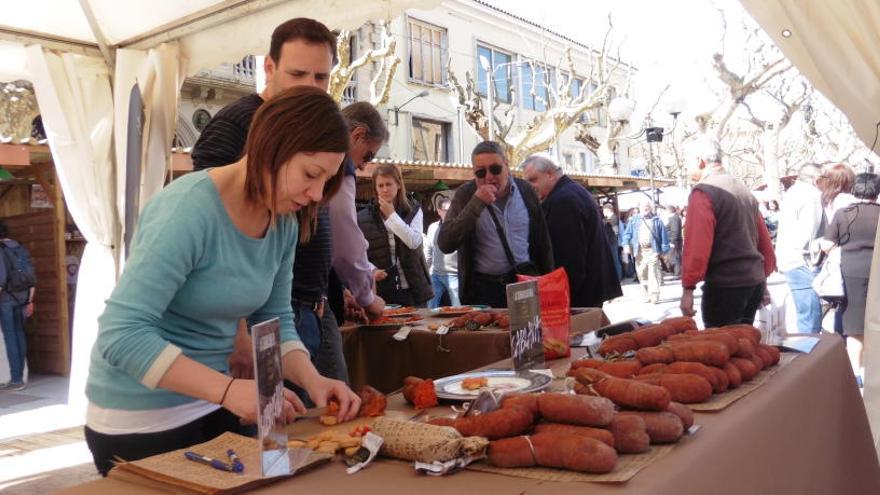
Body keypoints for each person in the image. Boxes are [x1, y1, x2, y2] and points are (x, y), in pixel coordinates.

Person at [84, 87, 362, 477]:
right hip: (140, 419)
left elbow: (275, 321)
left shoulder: (282, 220)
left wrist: (312, 379)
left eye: (326, 181)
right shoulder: (187, 210)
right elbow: (120, 335)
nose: (316, 194)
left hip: (219, 405)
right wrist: (229, 390)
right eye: (310, 175)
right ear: (273, 147)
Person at [190, 17, 350, 385]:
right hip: (263, 317)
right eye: (298, 74)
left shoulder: (317, 124)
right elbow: (215, 223)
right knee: (277, 433)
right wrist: (238, 330)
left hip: (306, 308)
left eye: (321, 77)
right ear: (269, 67)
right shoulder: (236, 124)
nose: (311, 87)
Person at [437, 141, 553, 307]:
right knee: (490, 333)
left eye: (495, 169)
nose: (489, 176)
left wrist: (548, 282)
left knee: (527, 333)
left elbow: (543, 242)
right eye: (481, 172)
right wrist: (476, 204)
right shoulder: (466, 194)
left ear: (507, 166)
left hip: (525, 283)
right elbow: (445, 243)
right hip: (484, 289)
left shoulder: (525, 190)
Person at [680, 137, 776, 327]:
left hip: (726, 286)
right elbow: (762, 238)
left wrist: (688, 288)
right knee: (746, 348)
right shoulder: (742, 188)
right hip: (752, 281)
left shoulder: (704, 191)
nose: (685, 168)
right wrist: (763, 277)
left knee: (723, 350)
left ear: (700, 160)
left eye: (687, 162)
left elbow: (697, 245)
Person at [522, 155, 622, 307]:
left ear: (549, 174)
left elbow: (569, 258)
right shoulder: (572, 191)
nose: (530, 186)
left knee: (584, 330)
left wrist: (561, 297)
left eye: (533, 179)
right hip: (589, 289)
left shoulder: (563, 201)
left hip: (579, 295)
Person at [329, 102, 390, 327]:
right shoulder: (341, 168)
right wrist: (367, 297)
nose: (363, 167)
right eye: (367, 156)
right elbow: (344, 241)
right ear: (357, 135)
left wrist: (342, 289)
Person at [822, 173, 880, 379]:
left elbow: (827, 245)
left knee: (854, 324)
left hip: (851, 272)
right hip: (877, 270)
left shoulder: (843, 214)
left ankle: (855, 374)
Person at [358, 164, 433, 306]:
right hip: (383, 289)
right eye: (380, 186)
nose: (385, 189)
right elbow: (357, 253)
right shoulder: (363, 217)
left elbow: (414, 242)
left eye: (389, 184)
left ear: (398, 185)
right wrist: (372, 269)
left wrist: (391, 215)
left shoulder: (413, 210)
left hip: (412, 287)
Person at [776, 163, 825, 332]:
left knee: (805, 316)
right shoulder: (812, 196)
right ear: (816, 179)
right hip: (803, 262)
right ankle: (810, 357)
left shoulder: (792, 192)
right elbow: (808, 235)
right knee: (810, 320)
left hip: (790, 260)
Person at [0, 221, 36, 391]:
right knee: (19, 334)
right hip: (22, 298)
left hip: (6, 299)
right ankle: (20, 376)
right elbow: (31, 278)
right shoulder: (20, 248)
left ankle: (16, 379)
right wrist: (30, 300)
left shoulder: (0, 250)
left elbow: (1, 280)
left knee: (10, 337)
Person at [622, 201, 670, 304]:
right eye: (643, 206)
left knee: (653, 271)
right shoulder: (634, 220)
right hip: (639, 251)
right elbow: (627, 234)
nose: (645, 208)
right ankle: (646, 294)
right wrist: (625, 245)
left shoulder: (657, 220)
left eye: (647, 206)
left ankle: (654, 294)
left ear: (651, 208)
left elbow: (664, 237)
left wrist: (664, 251)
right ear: (639, 208)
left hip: (653, 250)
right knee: (641, 273)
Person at [425, 197, 460, 308]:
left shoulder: (458, 227)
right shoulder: (432, 227)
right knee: (430, 308)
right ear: (439, 211)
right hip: (435, 274)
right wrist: (427, 271)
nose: (449, 212)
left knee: (458, 308)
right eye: (446, 210)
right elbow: (429, 249)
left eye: (451, 209)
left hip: (454, 274)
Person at [602, 204, 623, 281]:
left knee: (615, 260)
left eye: (603, 211)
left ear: (607, 210)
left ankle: (618, 278)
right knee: (614, 260)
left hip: (612, 242)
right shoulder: (608, 218)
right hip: (611, 242)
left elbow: (615, 232)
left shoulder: (613, 218)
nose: (603, 213)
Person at [666, 205, 683, 277]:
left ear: (669, 210)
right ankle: (677, 273)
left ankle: (678, 274)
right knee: (675, 257)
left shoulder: (674, 218)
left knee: (675, 257)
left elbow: (675, 231)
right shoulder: (674, 218)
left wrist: (672, 241)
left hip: (674, 241)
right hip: (675, 241)